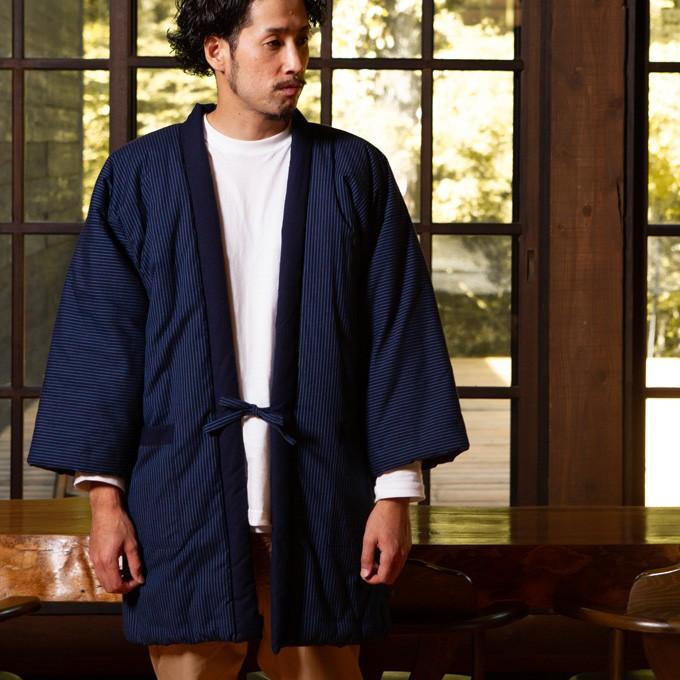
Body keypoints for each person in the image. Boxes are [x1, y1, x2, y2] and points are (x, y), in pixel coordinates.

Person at [27, 0, 469, 677]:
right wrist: (105, 504)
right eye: (273, 42)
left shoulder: (355, 172)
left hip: (325, 497)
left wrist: (394, 496)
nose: (296, 62)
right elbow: (102, 342)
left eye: (302, 40)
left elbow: (397, 336)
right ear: (217, 51)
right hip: (180, 498)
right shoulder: (140, 176)